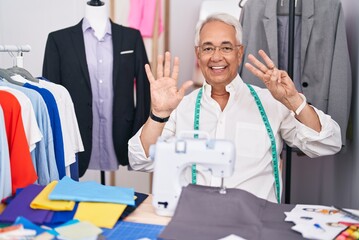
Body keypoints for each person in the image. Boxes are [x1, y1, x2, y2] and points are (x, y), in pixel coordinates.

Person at [128, 13, 342, 203]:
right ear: (198, 54)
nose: (216, 56)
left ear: (239, 53)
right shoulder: (181, 106)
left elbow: (328, 142)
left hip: (254, 227)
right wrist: (158, 114)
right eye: (208, 48)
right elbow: (139, 160)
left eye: (226, 47)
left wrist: (295, 100)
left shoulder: (272, 102)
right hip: (194, 222)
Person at [43, 1, 150, 178]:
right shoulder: (58, 40)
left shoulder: (132, 38)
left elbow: (144, 91)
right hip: (78, 136)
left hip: (121, 136)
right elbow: (51, 98)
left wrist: (140, 134)